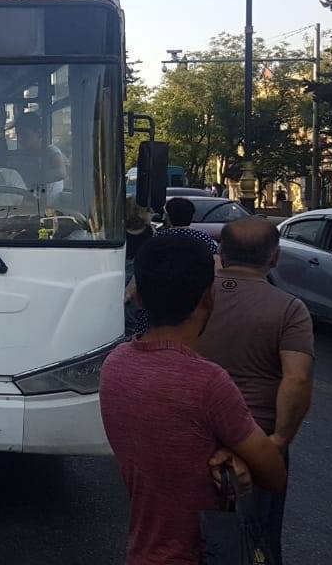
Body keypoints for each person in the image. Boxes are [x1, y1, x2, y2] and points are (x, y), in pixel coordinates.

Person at [99, 236, 286, 565]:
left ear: (139, 295)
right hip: (200, 554)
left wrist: (227, 452)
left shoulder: (115, 365)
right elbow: (273, 474)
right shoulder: (208, 382)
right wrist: (237, 455)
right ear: (209, 297)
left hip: (143, 551)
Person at [196, 218, 314, 564]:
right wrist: (277, 441)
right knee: (253, 537)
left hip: (194, 432)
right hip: (254, 438)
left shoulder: (195, 298)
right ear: (274, 258)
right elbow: (298, 379)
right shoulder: (290, 309)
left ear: (221, 253)